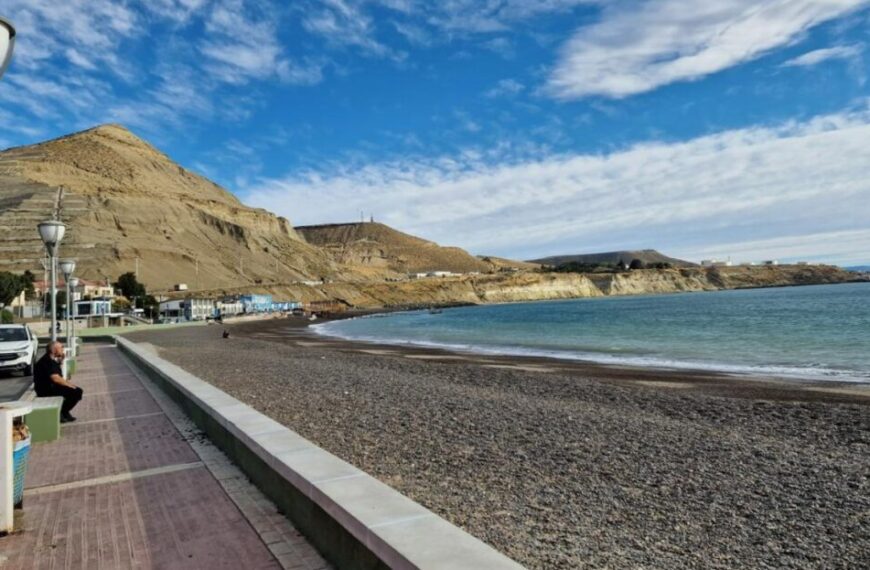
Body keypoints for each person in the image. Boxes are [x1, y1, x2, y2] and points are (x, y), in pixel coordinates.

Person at [33, 341, 83, 423]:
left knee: (76, 391)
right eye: (61, 347)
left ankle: (64, 412)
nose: (63, 349)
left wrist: (61, 361)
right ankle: (62, 412)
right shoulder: (47, 361)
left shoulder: (51, 360)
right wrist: (70, 385)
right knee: (76, 392)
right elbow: (55, 378)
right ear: (54, 350)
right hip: (46, 390)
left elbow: (57, 374)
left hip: (52, 387)